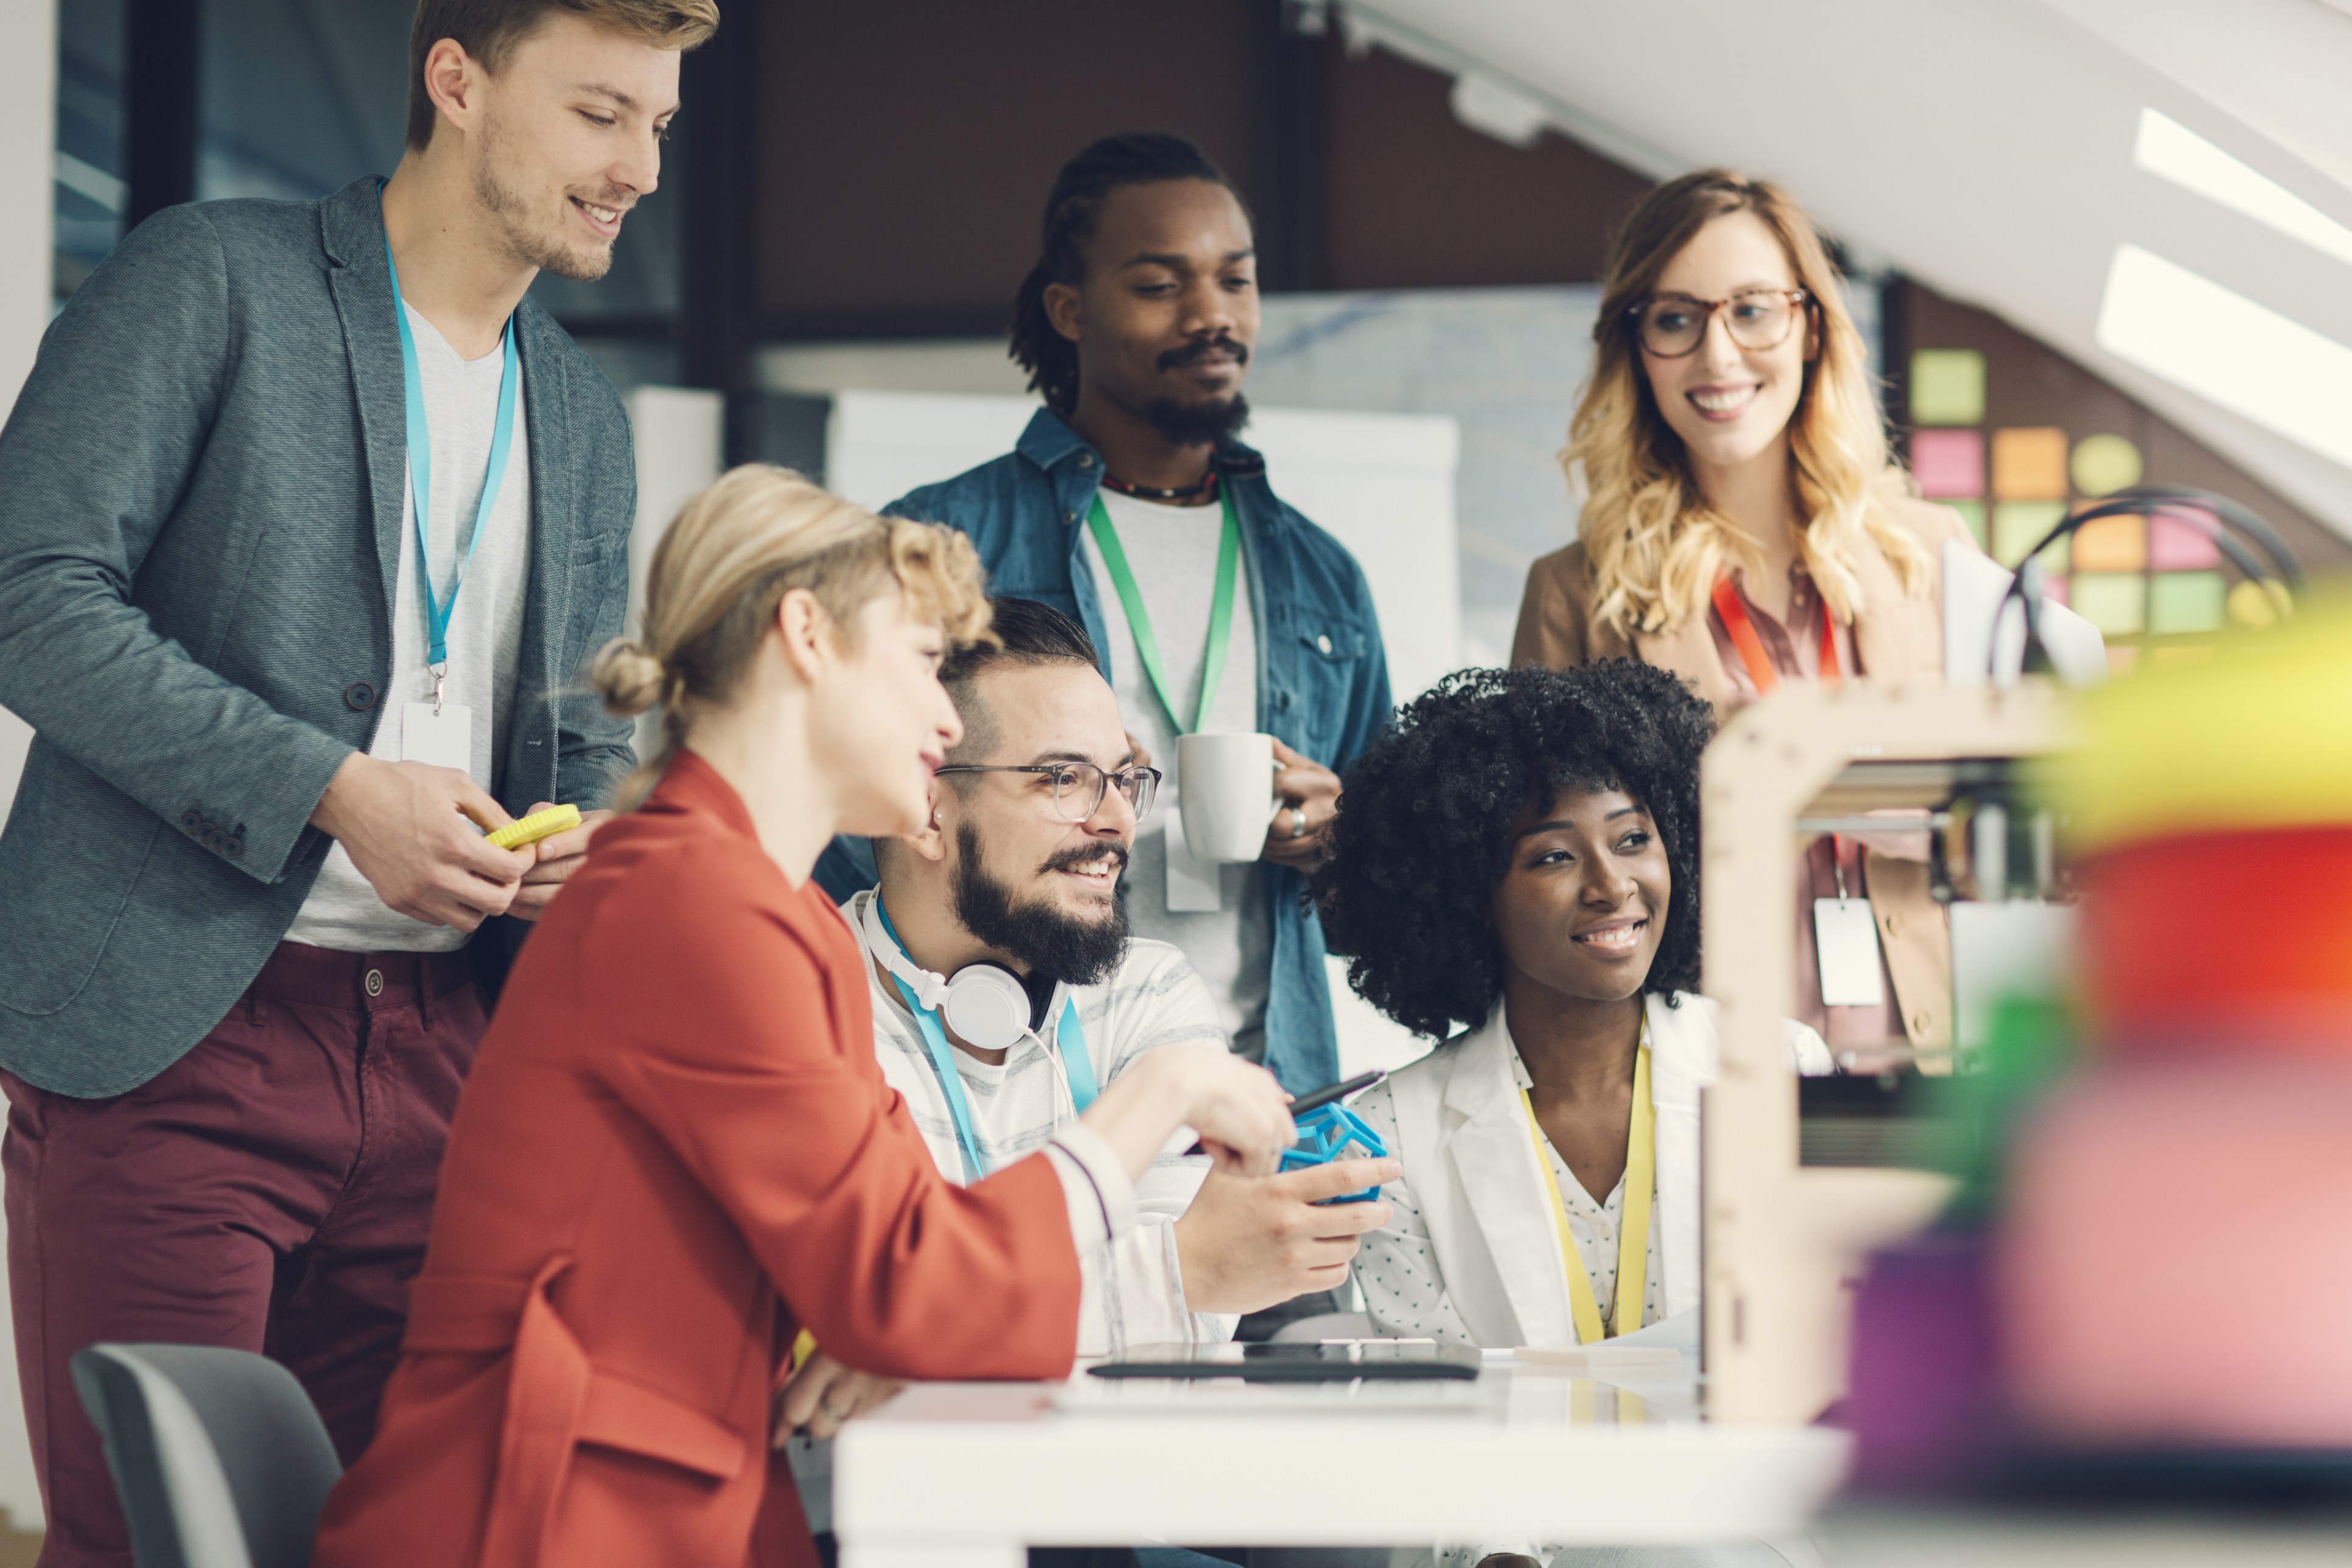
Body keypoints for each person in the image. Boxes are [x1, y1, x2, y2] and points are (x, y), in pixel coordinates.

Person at [0, 1, 713, 1558]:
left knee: (404, 1541)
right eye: (602, 113)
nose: (641, 167)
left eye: (659, 123)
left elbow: (574, 735)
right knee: (162, 1537)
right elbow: (29, 597)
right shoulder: (214, 281)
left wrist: (577, 843)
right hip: (181, 1038)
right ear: (456, 80)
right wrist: (335, 789)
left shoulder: (583, 412)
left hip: (455, 1065)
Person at [312, 468, 1297, 1568]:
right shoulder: (692, 904)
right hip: (552, 1527)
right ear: (807, 639)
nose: (941, 714)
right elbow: (912, 1284)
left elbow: (916, 1261)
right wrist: (1154, 1096)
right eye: (923, 664)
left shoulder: (788, 921)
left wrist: (897, 1322)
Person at [831, 132, 1393, 1113]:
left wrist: (1341, 838)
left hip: (1265, 1089)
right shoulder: (941, 540)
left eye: (1237, 281)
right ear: (1068, 309)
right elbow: (843, 819)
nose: (1214, 315)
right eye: (1160, 285)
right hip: (1008, 1082)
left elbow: (1385, 891)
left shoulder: (1323, 576)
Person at [1510, 169, 1972, 1057]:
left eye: (1753, 310)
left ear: (1809, 328)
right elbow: (1543, 875)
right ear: (1636, 346)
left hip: (1934, 1054)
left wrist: (1845, 785)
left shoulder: (1932, 553)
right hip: (1709, 1066)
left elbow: (2039, 831)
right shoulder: (1574, 593)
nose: (1719, 357)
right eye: (1678, 319)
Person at [855, 598, 1398, 1353]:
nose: (1119, 819)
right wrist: (1181, 1271)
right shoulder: (809, 996)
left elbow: (1185, 1324)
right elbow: (866, 1319)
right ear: (924, 808)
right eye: (1064, 778)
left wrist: (1187, 1277)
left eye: (1123, 777)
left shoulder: (1151, 989)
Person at [1313, 662, 1831, 1353]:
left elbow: (1818, 1343)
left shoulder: (1782, 1066)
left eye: (1633, 839)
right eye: (1555, 856)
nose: (1613, 884)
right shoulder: (1390, 1143)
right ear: (1469, 894)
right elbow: (1440, 1413)